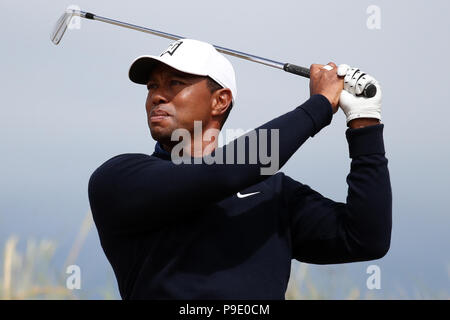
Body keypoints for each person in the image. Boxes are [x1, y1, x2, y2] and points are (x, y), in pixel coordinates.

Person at [88, 39, 392, 299]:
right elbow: (221, 174)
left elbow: (366, 237)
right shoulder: (119, 178)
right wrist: (320, 105)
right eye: (152, 86)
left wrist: (364, 122)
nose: (156, 95)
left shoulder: (274, 193)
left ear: (220, 101)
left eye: (175, 83)